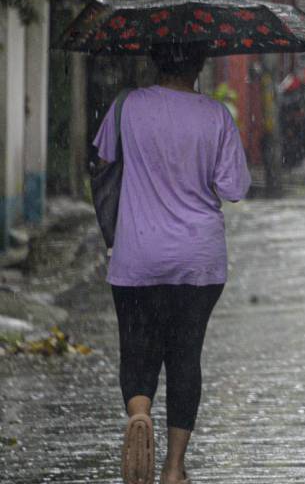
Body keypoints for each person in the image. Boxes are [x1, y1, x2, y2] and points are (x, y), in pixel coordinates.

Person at [93, 43, 250, 484]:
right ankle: (174, 468)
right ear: (199, 64)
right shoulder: (216, 115)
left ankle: (139, 411)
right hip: (197, 260)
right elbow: (234, 187)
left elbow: (104, 163)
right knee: (185, 354)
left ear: (155, 60)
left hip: (136, 254)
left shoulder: (126, 106)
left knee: (136, 344)